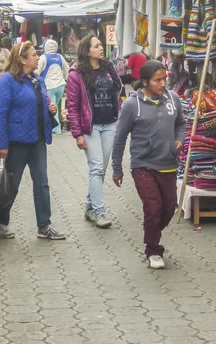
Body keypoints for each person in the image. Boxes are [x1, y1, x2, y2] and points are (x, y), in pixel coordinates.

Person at [112, 60, 185, 269]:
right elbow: (119, 138)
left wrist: (179, 139)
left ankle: (151, 231)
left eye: (165, 79)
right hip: (143, 165)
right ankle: (153, 249)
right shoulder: (131, 105)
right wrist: (117, 168)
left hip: (168, 163)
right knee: (153, 207)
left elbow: (180, 123)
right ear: (145, 82)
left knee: (169, 208)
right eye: (157, 80)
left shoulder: (173, 98)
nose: (163, 83)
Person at [0, 41, 65, 240]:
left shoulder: (37, 80)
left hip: (38, 140)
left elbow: (41, 103)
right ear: (23, 59)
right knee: (11, 184)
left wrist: (51, 109)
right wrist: (2, 145)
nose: (38, 57)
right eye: (33, 55)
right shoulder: (6, 81)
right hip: (17, 141)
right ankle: (0, 223)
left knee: (42, 183)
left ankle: (44, 225)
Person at [66, 34, 122, 229]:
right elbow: (72, 106)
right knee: (97, 168)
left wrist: (110, 67)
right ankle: (99, 212)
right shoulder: (76, 74)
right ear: (87, 50)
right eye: (96, 45)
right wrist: (77, 134)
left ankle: (89, 206)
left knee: (101, 169)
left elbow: (118, 88)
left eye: (101, 45)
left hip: (109, 124)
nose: (101, 48)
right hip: (90, 127)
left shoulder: (107, 68)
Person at [37, 40, 70, 135]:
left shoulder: (43, 57)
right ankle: (52, 125)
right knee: (55, 105)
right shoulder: (60, 57)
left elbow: (37, 71)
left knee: (52, 106)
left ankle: (56, 128)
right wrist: (65, 78)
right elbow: (67, 68)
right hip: (61, 86)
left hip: (49, 86)